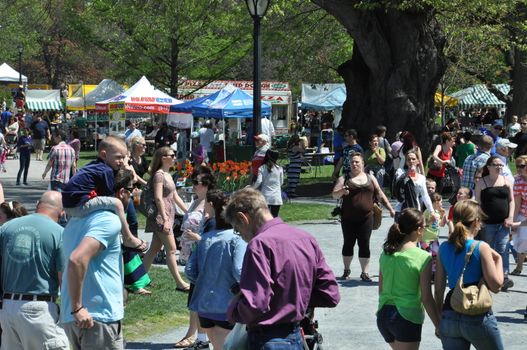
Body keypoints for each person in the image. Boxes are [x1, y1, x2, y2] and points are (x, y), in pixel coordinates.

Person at [224, 188, 340, 349]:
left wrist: (233, 310)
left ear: (242, 218)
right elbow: (330, 294)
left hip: (266, 340)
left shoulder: (259, 244)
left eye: (237, 230)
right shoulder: (306, 239)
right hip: (296, 338)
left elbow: (256, 304)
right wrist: (293, 299)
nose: (241, 236)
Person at [61, 169, 136, 349]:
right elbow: (76, 260)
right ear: (121, 193)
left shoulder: (76, 219)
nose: (133, 195)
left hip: (75, 316)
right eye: (131, 190)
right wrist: (78, 307)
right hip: (95, 317)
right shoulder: (107, 219)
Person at [0, 191, 69, 350]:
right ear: (62, 212)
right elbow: (64, 280)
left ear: (38, 204)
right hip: (38, 309)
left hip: (7, 308)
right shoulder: (60, 233)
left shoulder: (7, 227)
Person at [435, 199, 505, 350]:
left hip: (450, 312)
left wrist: (439, 319)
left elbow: (439, 289)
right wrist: (498, 259)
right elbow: (496, 285)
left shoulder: (443, 247)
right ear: (476, 222)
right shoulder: (481, 247)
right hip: (476, 314)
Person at [61, 135, 147, 251]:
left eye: (123, 158)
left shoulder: (95, 165)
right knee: (116, 203)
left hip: (70, 204)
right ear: (104, 155)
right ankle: (128, 238)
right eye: (118, 157)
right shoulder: (105, 170)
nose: (121, 161)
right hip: (78, 204)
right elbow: (109, 194)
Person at [185, 190, 247, 350]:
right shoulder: (237, 239)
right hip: (226, 307)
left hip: (204, 308)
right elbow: (239, 272)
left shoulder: (204, 238)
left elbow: (190, 270)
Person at [377, 208, 440, 349]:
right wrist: (438, 324)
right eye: (424, 227)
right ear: (418, 229)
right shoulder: (423, 257)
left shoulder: (386, 254)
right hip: (406, 316)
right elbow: (427, 298)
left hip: (383, 315)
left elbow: (381, 289)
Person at [332, 151, 395, 281]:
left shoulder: (370, 178)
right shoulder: (344, 178)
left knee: (364, 244)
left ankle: (364, 272)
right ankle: (346, 270)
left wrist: (390, 208)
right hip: (348, 218)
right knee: (348, 243)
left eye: (357, 162)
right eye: (352, 162)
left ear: (362, 163)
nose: (354, 164)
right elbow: (334, 195)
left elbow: (380, 194)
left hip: (367, 217)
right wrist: (342, 191)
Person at [142, 147, 189, 291]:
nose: (175, 157)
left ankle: (139, 279)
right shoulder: (159, 175)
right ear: (163, 158)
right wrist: (165, 218)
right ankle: (179, 283)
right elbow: (158, 197)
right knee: (172, 249)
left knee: (154, 249)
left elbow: (175, 197)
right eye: (172, 155)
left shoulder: (168, 174)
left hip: (167, 216)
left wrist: (188, 212)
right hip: (161, 217)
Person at [475, 156, 515, 291]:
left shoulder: (506, 181)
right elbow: (478, 203)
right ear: (489, 167)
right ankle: (489, 276)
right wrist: (481, 219)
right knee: (488, 249)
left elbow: (511, 201)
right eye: (496, 164)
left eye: (501, 165)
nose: (499, 167)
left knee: (503, 248)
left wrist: (510, 217)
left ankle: (504, 277)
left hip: (504, 222)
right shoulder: (482, 182)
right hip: (488, 223)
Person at [394, 150, 434, 220]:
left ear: (418, 161)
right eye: (409, 159)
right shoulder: (400, 173)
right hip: (401, 210)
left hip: (415, 209)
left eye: (413, 159)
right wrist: (408, 174)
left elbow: (425, 196)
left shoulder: (422, 178)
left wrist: (431, 211)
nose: (411, 161)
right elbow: (398, 189)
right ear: (406, 162)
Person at [251, 149, 284, 217]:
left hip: (266, 196)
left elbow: (259, 181)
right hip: (276, 197)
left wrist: (252, 188)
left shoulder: (262, 168)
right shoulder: (279, 168)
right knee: (275, 217)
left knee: (265, 217)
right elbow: (281, 182)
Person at [420, 192, 446, 272]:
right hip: (426, 239)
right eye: (441, 202)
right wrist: (431, 220)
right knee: (427, 257)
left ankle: (433, 272)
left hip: (435, 239)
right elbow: (423, 223)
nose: (442, 204)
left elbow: (441, 225)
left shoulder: (438, 213)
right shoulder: (428, 211)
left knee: (435, 256)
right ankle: (425, 272)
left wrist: (444, 216)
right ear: (436, 202)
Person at [511, 155, 527, 275]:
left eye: (522, 166)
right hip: (523, 213)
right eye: (517, 166)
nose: (519, 168)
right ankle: (519, 266)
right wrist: (514, 222)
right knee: (521, 240)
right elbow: (517, 203)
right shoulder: (517, 181)